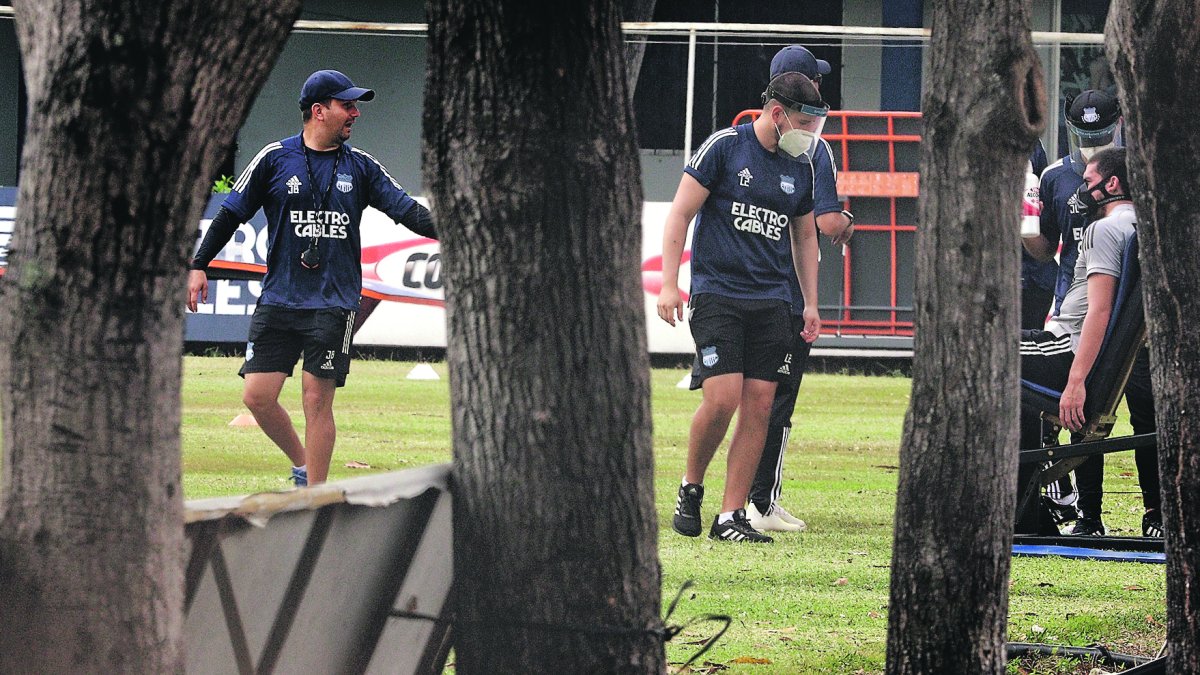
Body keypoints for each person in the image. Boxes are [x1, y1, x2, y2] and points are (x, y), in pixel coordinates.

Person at [186, 70, 436, 487]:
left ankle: (314, 502)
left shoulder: (360, 167)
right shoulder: (274, 158)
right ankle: (304, 464)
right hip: (279, 299)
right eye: (347, 105)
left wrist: (465, 230)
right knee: (257, 397)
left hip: (334, 302)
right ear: (319, 111)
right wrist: (199, 263)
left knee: (316, 400)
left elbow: (409, 211)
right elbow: (230, 212)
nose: (355, 113)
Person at [659, 71, 824, 544]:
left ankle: (731, 516)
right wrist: (669, 283)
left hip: (772, 300)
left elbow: (805, 234)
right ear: (776, 114)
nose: (809, 136)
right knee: (723, 398)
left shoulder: (801, 169)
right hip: (718, 294)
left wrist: (810, 302)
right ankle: (692, 486)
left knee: (760, 405)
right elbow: (680, 213)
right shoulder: (725, 148)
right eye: (803, 124)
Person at [1017, 148, 1159, 536]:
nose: (1080, 193)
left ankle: (1021, 508)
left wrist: (1076, 382)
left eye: (1088, 183)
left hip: (1067, 347)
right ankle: (1026, 507)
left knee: (987, 358)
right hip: (1074, 348)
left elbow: (1098, 312)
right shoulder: (1141, 226)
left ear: (1112, 184)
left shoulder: (1104, 228)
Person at [744, 46, 855, 533]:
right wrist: (849, 222)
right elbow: (825, 221)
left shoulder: (744, 139)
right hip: (788, 294)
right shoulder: (814, 147)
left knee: (751, 396)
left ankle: (750, 496)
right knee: (778, 398)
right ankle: (760, 501)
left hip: (748, 287)